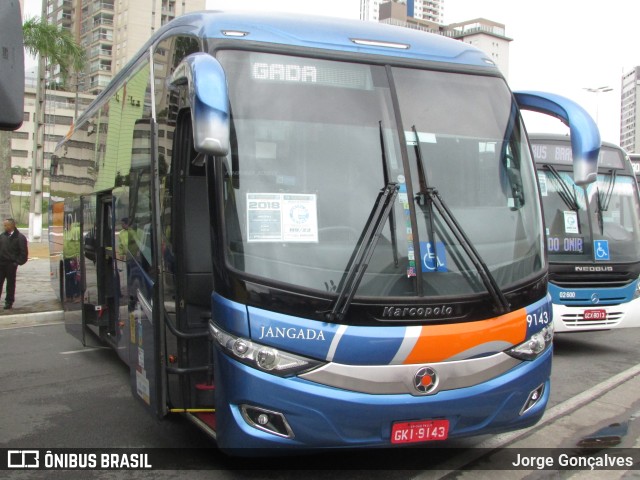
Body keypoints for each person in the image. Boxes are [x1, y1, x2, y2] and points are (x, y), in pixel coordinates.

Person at [0, 218, 29, 309]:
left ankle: (9, 302)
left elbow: (24, 253)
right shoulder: (2, 236)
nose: (4, 227)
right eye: (4, 225)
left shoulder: (20, 237)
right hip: (1, 264)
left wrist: (17, 262)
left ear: (12, 225)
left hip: (11, 265)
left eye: (6, 225)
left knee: (10, 284)